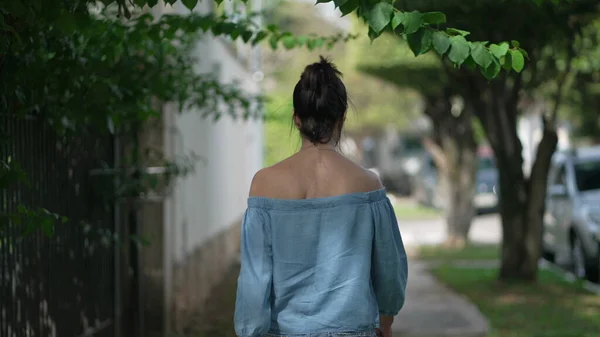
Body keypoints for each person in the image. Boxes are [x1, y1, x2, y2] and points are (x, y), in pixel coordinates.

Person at [234, 56, 408, 337]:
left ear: (296, 118)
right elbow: (390, 270)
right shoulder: (367, 185)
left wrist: (250, 331)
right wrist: (386, 321)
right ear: (341, 118)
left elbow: (254, 282)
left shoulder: (264, 184)